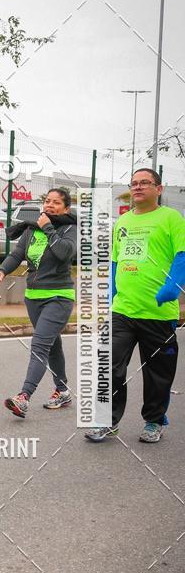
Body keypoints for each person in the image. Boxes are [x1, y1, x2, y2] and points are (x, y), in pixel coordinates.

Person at [85, 167, 185, 443]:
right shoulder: (124, 221)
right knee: (108, 365)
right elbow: (116, 261)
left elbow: (182, 254)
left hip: (158, 313)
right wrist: (112, 295)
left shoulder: (171, 218)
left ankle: (154, 421)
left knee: (158, 374)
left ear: (159, 189)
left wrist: (173, 286)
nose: (138, 187)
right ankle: (107, 421)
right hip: (123, 311)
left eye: (145, 183)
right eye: (134, 183)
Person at [0, 187, 77, 417]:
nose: (50, 205)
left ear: (66, 208)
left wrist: (48, 228)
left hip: (58, 297)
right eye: (47, 201)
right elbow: (17, 254)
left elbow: (65, 252)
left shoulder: (70, 228)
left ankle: (24, 397)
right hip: (34, 297)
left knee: (40, 345)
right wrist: (3, 270)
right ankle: (62, 391)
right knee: (53, 345)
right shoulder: (32, 230)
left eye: (56, 202)